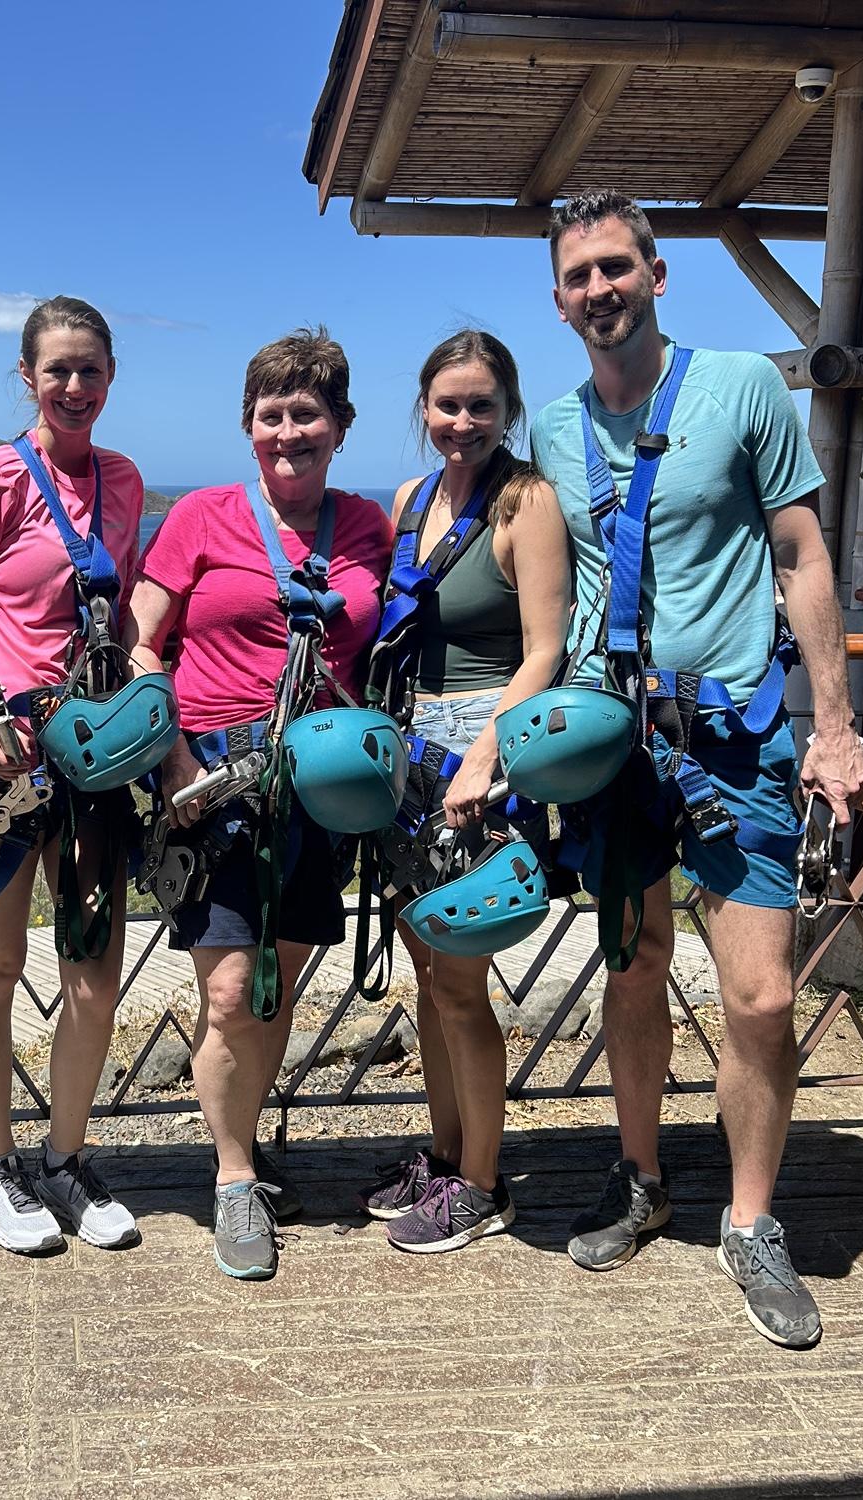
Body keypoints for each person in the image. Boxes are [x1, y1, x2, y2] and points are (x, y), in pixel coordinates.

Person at [531, 191, 863, 1347]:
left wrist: (833, 723)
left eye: (617, 268)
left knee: (763, 994)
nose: (601, 291)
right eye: (580, 276)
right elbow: (552, 593)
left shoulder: (742, 390)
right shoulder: (551, 428)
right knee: (632, 970)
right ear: (559, 295)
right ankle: (641, 1179)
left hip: (731, 739)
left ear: (658, 274)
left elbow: (803, 554)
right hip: (613, 745)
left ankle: (753, 1220)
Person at [125, 327, 392, 1280]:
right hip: (216, 784)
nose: (290, 431)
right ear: (248, 428)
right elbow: (143, 644)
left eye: (308, 413)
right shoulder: (201, 516)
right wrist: (169, 764)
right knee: (231, 991)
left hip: (318, 787)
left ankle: (241, 1140)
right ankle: (233, 1176)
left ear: (341, 425)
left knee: (278, 980)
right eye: (272, 415)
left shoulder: (368, 527)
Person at [0, 297, 145, 1254]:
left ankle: (64, 1159)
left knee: (94, 972)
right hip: (1, 756)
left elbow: (125, 609)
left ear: (110, 375)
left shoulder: (125, 480)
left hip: (93, 754)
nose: (73, 386)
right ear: (27, 376)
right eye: (57, 369)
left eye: (89, 368)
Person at [358, 331, 570, 1253]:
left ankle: (484, 1183)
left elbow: (544, 649)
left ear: (508, 410)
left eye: (482, 405)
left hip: (480, 757)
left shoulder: (526, 502)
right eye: (448, 405)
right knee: (428, 977)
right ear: (423, 408)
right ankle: (446, 1157)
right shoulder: (411, 501)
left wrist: (486, 756)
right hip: (412, 752)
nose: (463, 422)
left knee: (463, 984)